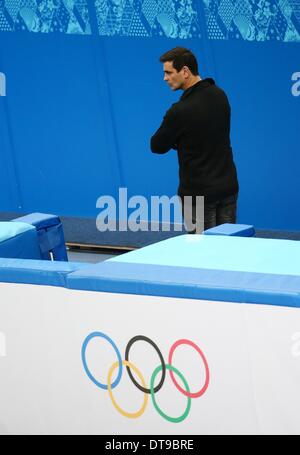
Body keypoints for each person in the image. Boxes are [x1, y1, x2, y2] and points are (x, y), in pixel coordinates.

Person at [151, 47, 239, 232]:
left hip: (197, 196)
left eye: (168, 72)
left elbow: (157, 145)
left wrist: (178, 141)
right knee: (228, 251)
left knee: (202, 256)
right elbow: (208, 134)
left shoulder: (179, 111)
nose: (165, 78)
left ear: (185, 71)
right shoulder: (220, 95)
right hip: (228, 188)